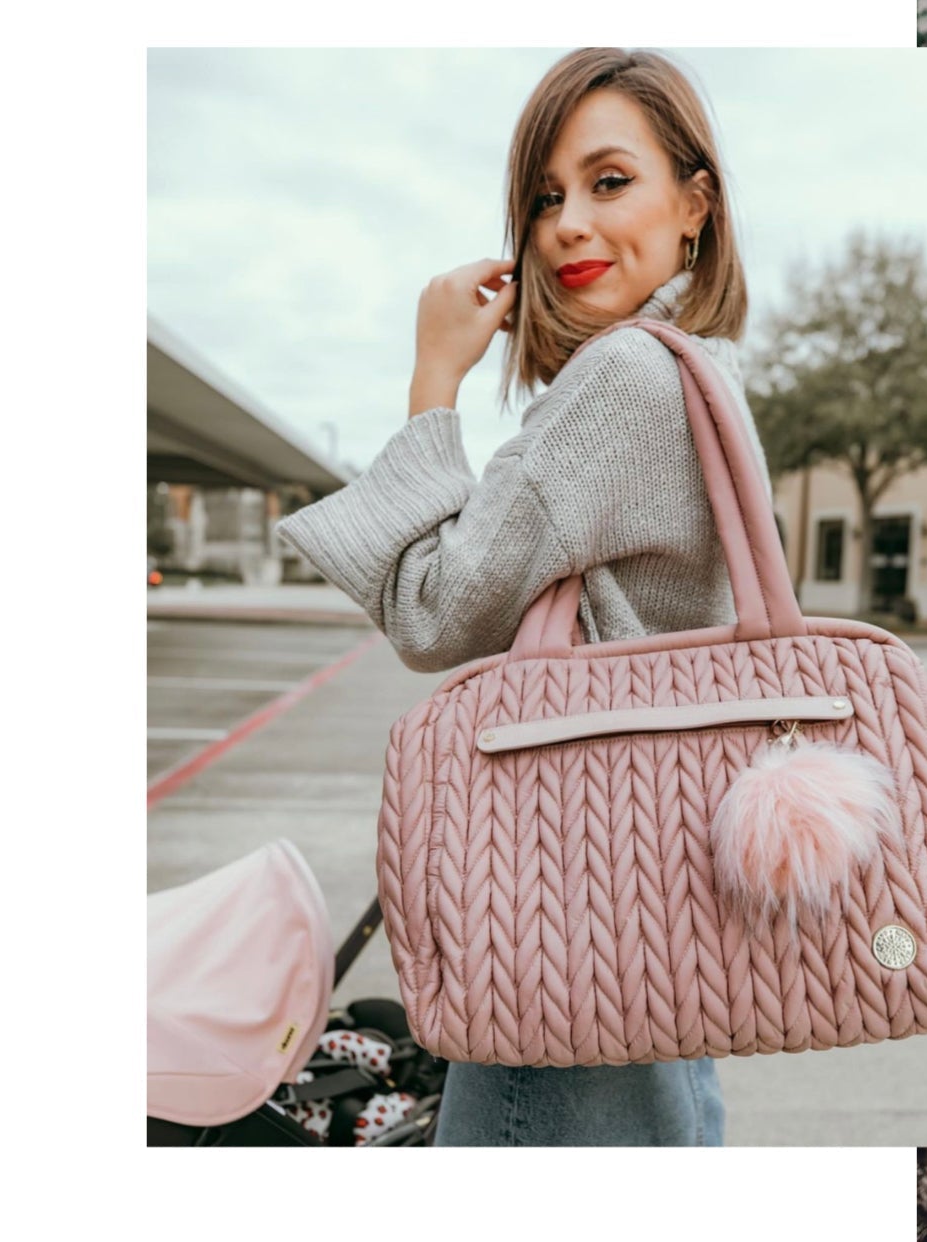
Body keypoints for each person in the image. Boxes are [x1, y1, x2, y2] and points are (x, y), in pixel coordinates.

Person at [275, 47, 757, 1147]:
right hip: (662, 891)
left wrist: (431, 382)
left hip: (569, 904)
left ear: (696, 204)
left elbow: (432, 613)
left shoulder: (625, 380)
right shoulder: (705, 367)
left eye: (609, 181)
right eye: (545, 198)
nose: (568, 225)